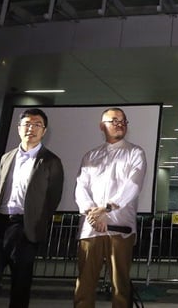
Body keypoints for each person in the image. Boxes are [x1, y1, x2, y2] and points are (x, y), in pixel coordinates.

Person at [0, 108, 65, 308]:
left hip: (24, 228)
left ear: (44, 130)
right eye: (27, 124)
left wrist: (35, 223)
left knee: (20, 287)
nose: (31, 128)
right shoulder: (6, 157)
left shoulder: (51, 161)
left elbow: (53, 198)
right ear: (18, 128)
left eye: (37, 125)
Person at [74, 107, 148, 308]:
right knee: (85, 283)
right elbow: (81, 188)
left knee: (120, 285)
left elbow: (133, 186)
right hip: (91, 229)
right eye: (114, 120)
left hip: (120, 227)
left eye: (123, 121)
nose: (120, 124)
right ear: (102, 126)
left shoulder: (135, 152)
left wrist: (106, 209)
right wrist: (92, 213)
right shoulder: (91, 155)